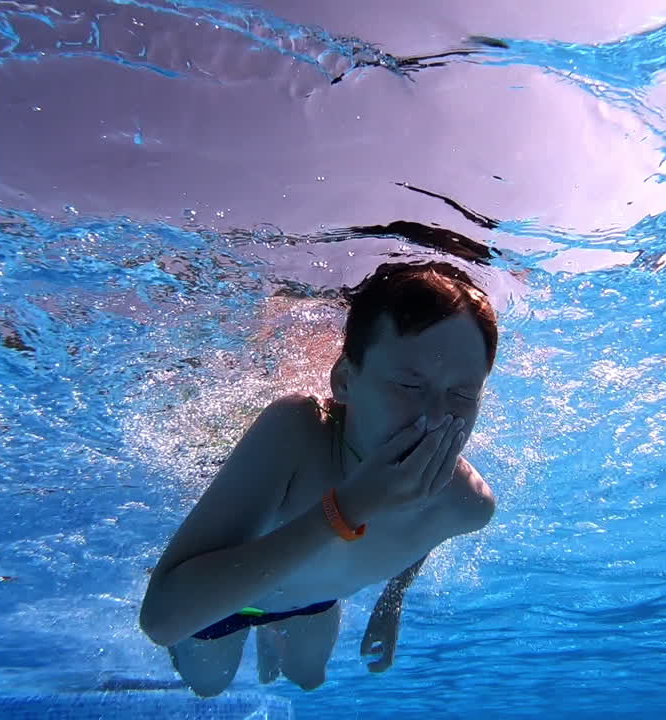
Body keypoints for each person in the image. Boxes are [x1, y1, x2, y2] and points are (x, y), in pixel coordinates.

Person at [139, 261, 500, 696]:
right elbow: (162, 619)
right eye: (408, 385)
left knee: (309, 680)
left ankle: (275, 638)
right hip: (223, 602)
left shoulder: (466, 504)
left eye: (462, 394)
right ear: (345, 380)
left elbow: (424, 537)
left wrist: (390, 604)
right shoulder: (297, 431)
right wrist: (349, 507)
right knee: (209, 687)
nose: (433, 417)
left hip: (312, 602)